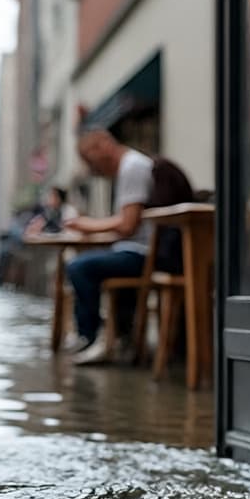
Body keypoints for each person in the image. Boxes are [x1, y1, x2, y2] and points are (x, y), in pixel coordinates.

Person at [64, 126, 193, 365]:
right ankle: (112, 337)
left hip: (143, 253)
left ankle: (91, 337)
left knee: (80, 267)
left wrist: (88, 225)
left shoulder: (132, 167)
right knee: (86, 264)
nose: (93, 168)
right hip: (138, 249)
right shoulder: (129, 167)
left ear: (104, 146)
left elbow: (128, 224)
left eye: (91, 159)